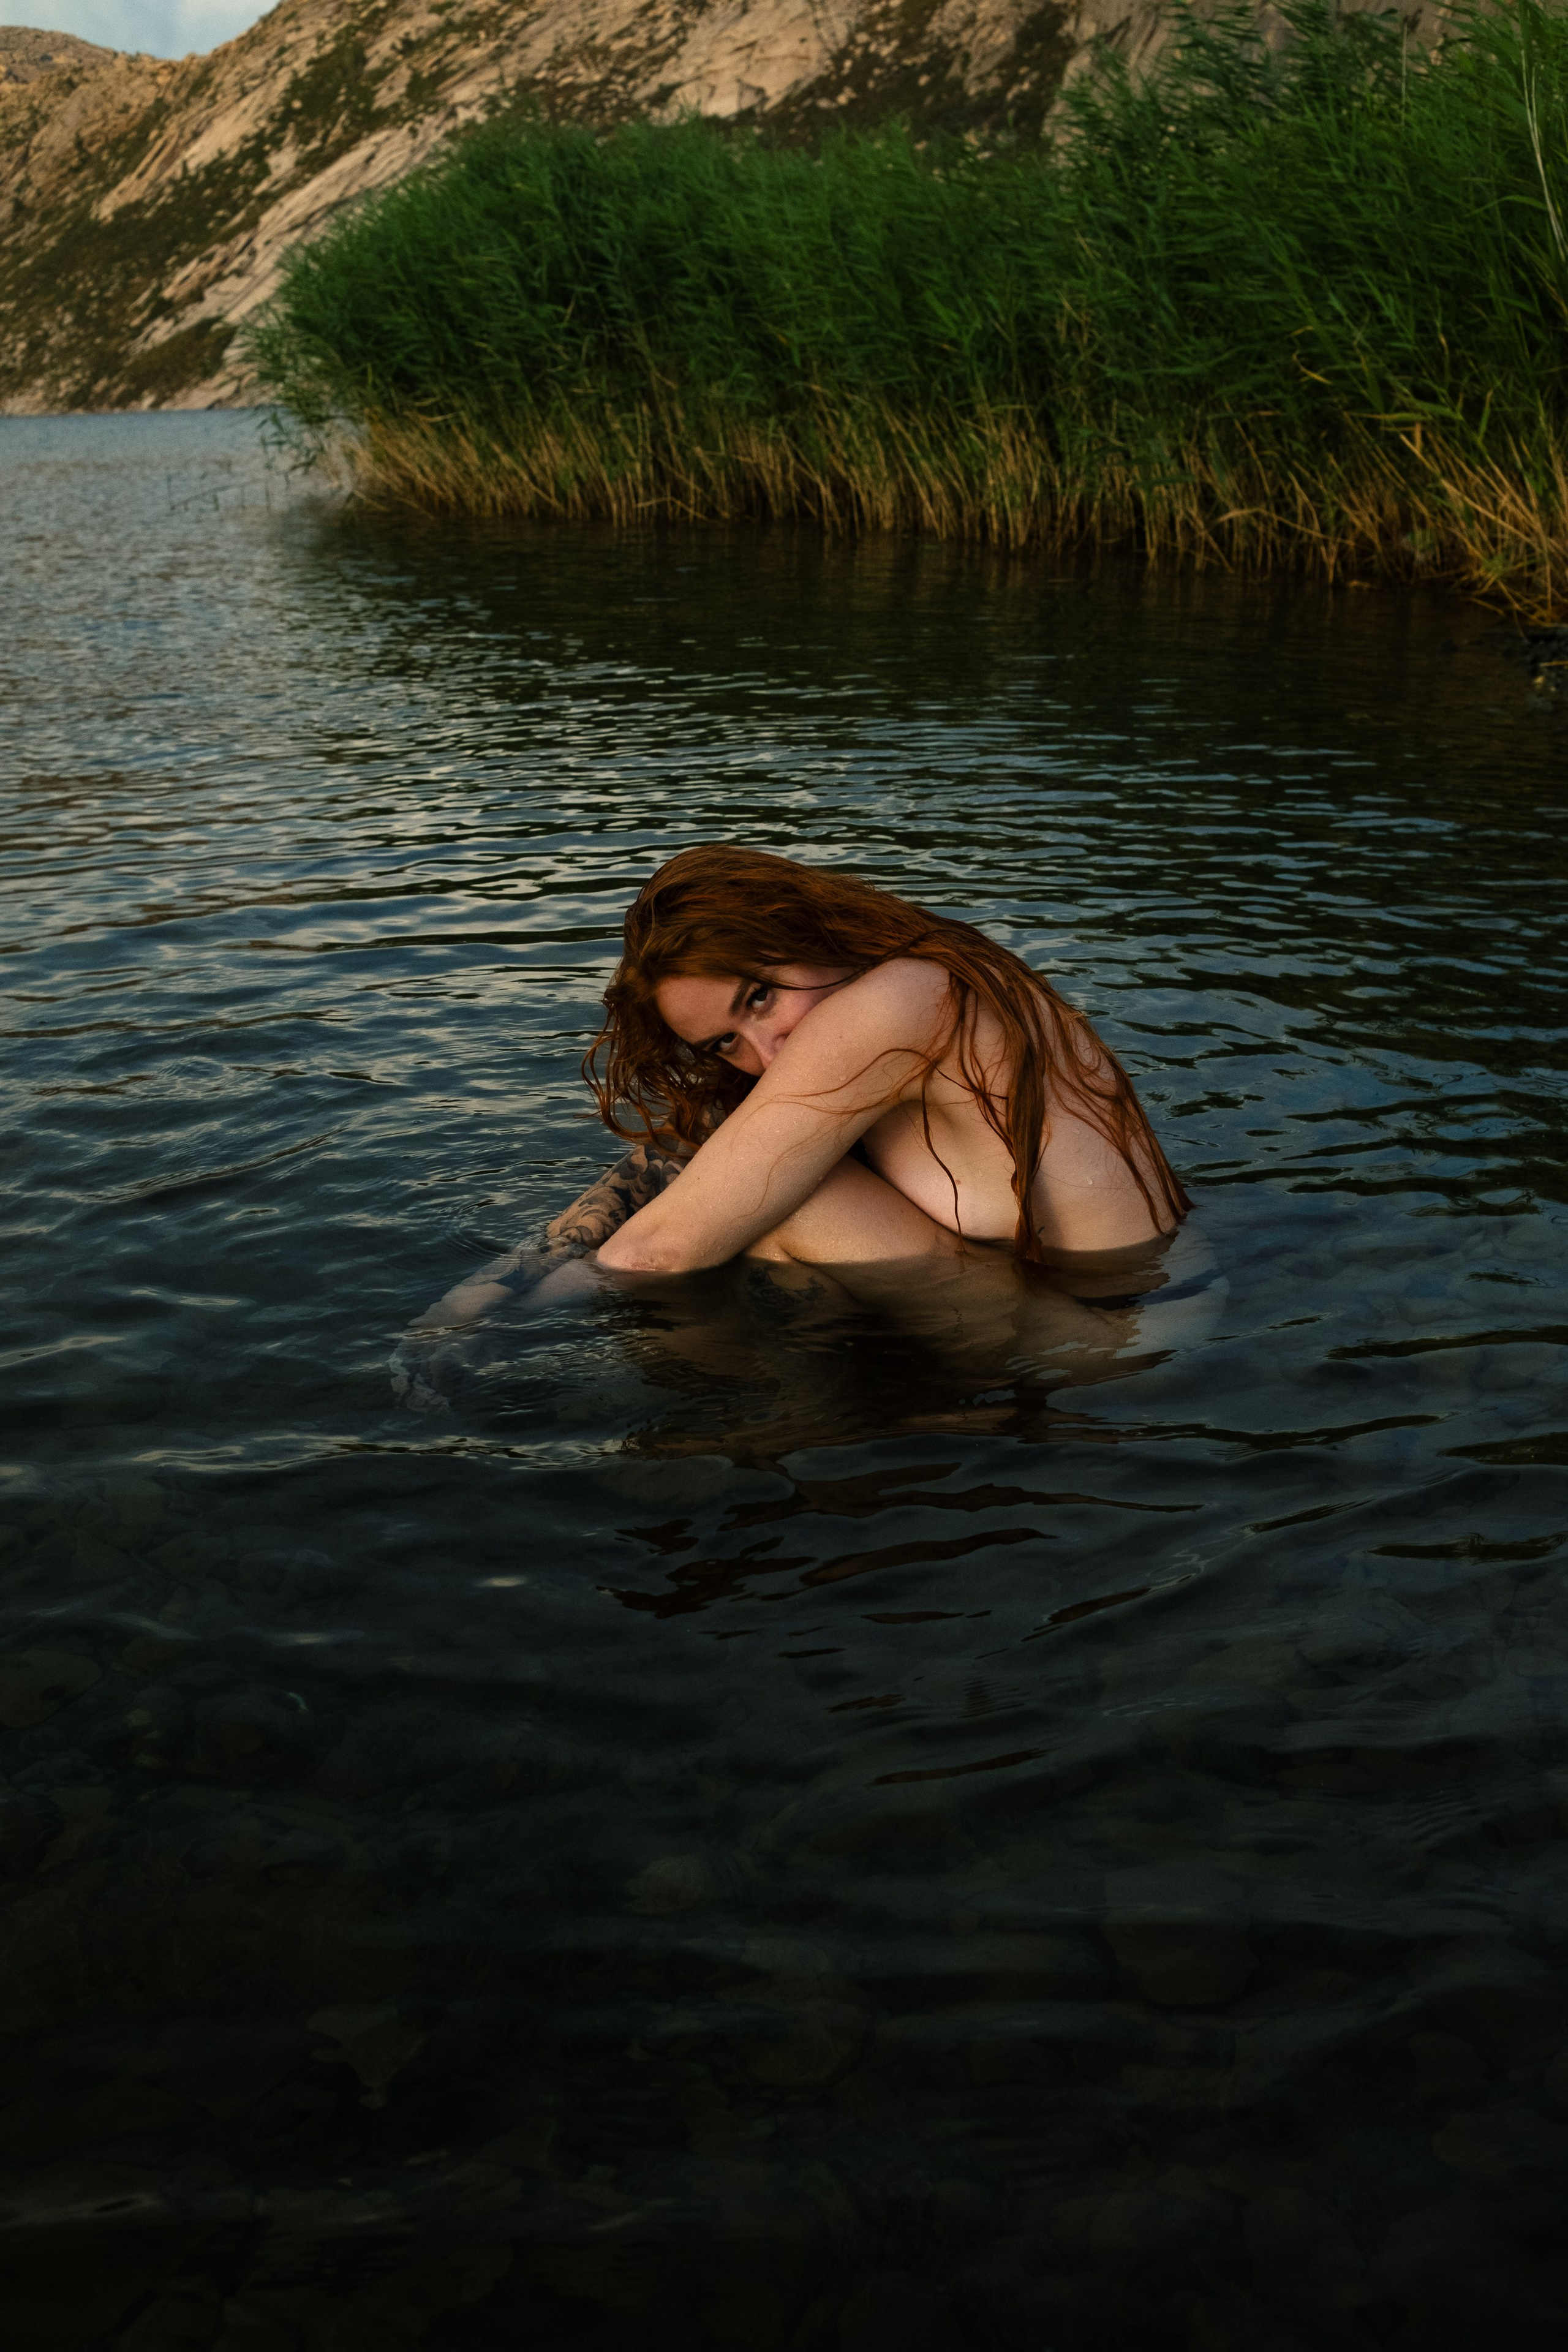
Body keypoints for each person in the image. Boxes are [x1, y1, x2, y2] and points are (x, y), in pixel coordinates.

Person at [410, 846, 1189, 1337]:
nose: (766, 1051)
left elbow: (662, 1246)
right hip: (1139, 1295)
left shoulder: (897, 1004)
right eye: (724, 1042)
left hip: (1113, 1337)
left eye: (759, 997)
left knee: (773, 1209)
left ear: (808, 935)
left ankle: (752, 1440)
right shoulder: (933, 969)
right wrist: (476, 1294)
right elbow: (670, 1165)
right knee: (738, 1178)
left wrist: (497, 1341)